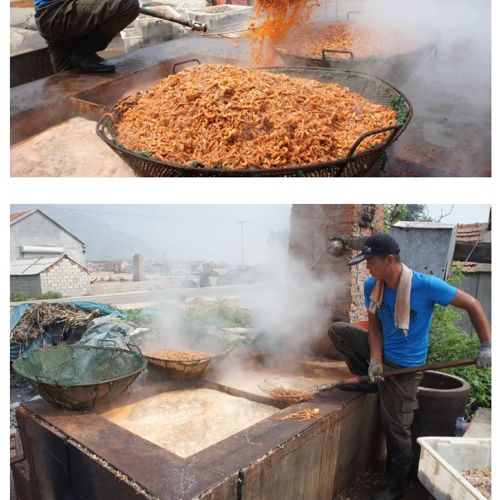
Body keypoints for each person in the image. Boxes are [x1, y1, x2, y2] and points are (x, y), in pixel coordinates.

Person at [328, 233, 491, 500]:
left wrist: (487, 345)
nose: (367, 268)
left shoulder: (426, 286)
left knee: (396, 427)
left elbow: (472, 303)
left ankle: (397, 484)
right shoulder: (373, 285)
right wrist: (375, 360)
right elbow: (375, 326)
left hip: (406, 367)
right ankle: (368, 378)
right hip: (384, 355)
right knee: (339, 331)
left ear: (390, 259)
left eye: (371, 262)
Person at [34, 0, 139, 73]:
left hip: (56, 17)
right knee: (128, 4)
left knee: (69, 84)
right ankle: (84, 51)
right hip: (57, 14)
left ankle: (81, 52)